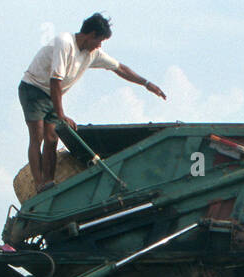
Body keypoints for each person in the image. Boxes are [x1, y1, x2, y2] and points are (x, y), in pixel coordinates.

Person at [19, 14, 166, 192]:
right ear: (91, 35)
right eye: (100, 40)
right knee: (38, 136)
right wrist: (62, 114)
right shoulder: (65, 42)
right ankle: (39, 184)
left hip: (52, 95)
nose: (100, 45)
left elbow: (120, 68)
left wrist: (146, 83)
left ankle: (48, 183)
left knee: (52, 138)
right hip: (34, 88)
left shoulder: (92, 53)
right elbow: (55, 81)